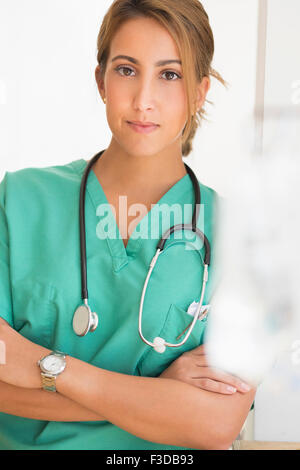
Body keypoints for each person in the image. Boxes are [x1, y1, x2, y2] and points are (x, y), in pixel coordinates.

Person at [0, 0, 256, 450]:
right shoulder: (19, 201)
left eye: (170, 74)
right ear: (100, 80)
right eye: (126, 70)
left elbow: (215, 423)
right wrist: (161, 395)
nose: (144, 100)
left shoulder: (240, 235)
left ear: (200, 92)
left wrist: (46, 368)